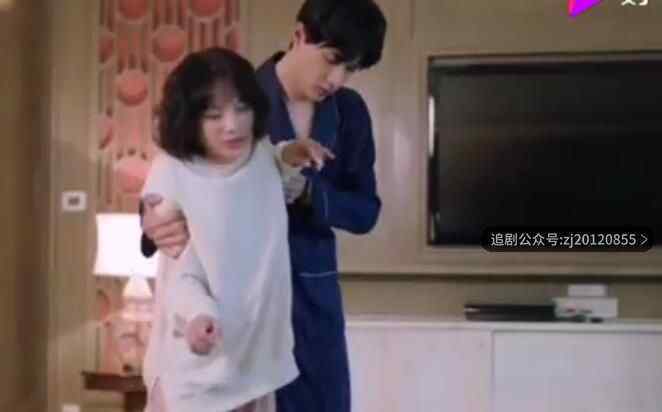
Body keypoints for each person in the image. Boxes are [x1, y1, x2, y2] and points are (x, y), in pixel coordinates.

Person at [142, 1, 387, 411]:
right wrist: (151, 221)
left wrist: (308, 193)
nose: (337, 79)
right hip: (231, 295)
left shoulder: (349, 113)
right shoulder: (238, 95)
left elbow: (366, 211)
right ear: (300, 35)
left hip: (312, 295)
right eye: (332, 60)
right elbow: (177, 174)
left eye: (351, 69)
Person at [141, 47, 333, 412]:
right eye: (214, 115)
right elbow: (180, 269)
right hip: (196, 357)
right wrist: (197, 315)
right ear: (190, 120)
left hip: (254, 360)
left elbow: (271, 171)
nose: (233, 125)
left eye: (242, 109)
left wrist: (292, 154)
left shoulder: (259, 154)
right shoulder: (172, 170)